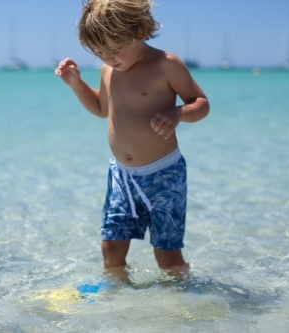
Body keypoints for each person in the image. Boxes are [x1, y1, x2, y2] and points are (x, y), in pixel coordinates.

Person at [55, 0, 209, 281]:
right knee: (111, 247)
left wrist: (178, 113)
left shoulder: (165, 65)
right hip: (121, 176)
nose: (108, 58)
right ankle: (119, 302)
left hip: (165, 176)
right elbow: (102, 109)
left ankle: (180, 301)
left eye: (114, 50)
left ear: (139, 32)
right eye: (100, 52)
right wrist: (76, 84)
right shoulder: (108, 69)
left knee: (166, 253)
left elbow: (201, 104)